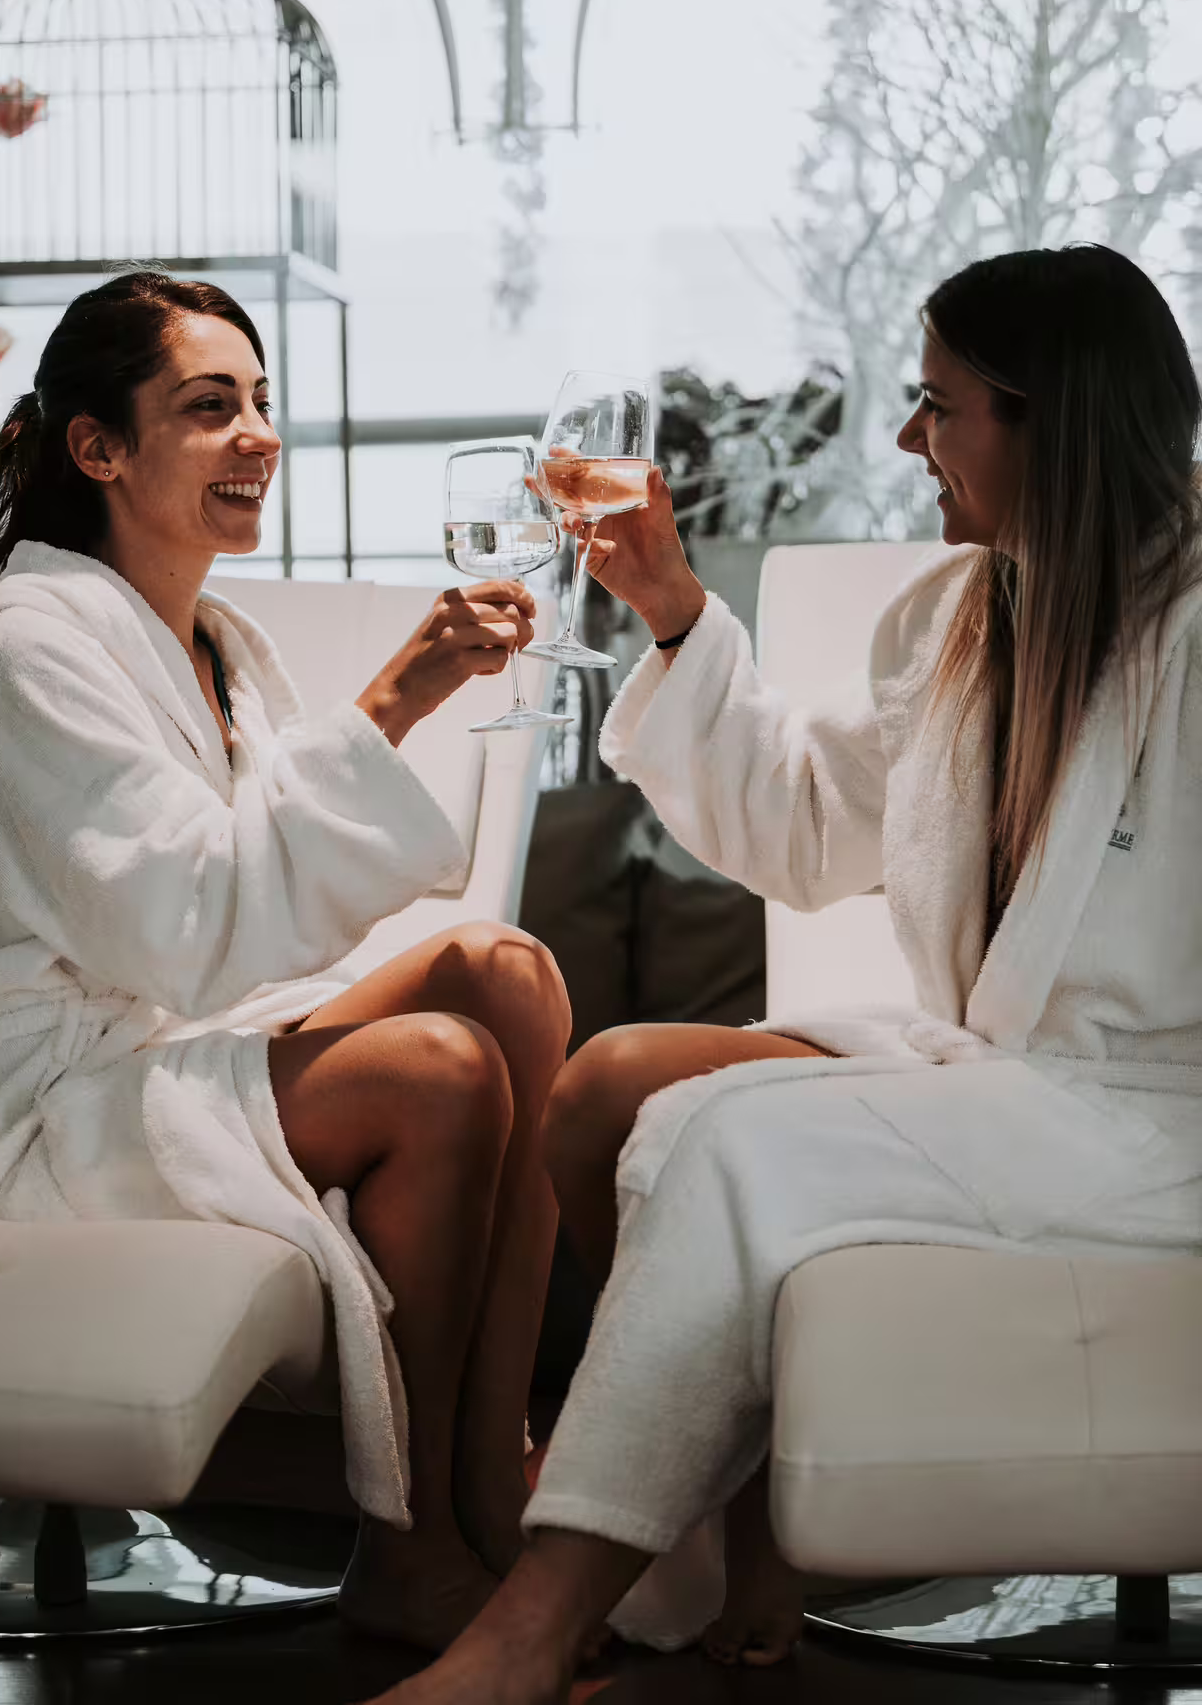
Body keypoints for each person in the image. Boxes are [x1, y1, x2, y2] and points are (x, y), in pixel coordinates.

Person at [376, 242, 1202, 1705]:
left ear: (1047, 418)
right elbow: (810, 830)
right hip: (1001, 1079)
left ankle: (538, 1623)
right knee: (622, 1088)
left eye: (937, 405)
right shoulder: (961, 621)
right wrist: (672, 607)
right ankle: (740, 1547)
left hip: (1161, 1117)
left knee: (721, 1131)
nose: (906, 440)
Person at [0, 271, 572, 1653]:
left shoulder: (215, 638)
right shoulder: (21, 647)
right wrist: (402, 693)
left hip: (171, 1050)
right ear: (97, 447)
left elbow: (229, 928)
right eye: (210, 408)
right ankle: (409, 1546)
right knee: (439, 1071)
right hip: (53, 1107)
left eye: (264, 403)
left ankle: (490, 1496)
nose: (258, 435)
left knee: (504, 974)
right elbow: (186, 927)